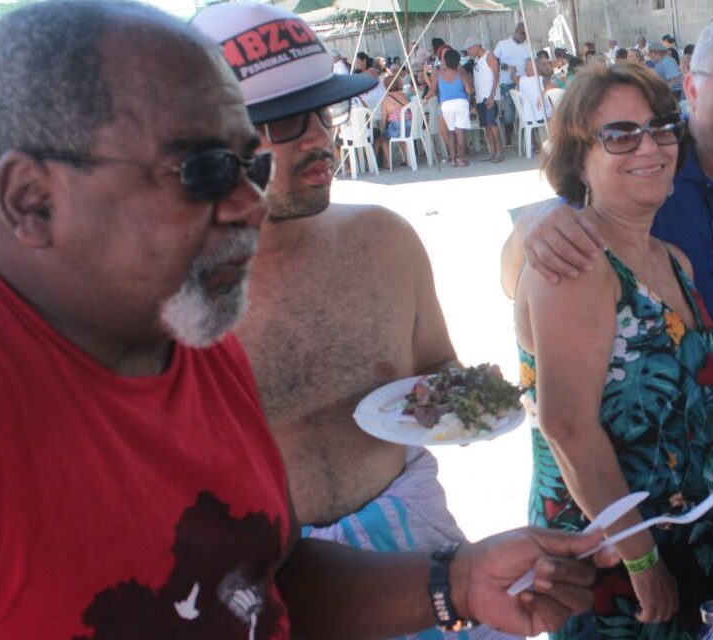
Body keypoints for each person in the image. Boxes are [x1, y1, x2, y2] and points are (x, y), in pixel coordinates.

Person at [0, 1, 616, 637]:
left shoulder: (201, 339)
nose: (248, 204)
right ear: (32, 200)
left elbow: (267, 575)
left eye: (250, 163)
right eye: (201, 171)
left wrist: (454, 582)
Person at [195, 7, 518, 640]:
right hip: (268, 583)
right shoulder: (169, 296)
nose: (319, 137)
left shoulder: (383, 241)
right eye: (287, 121)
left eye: (325, 112)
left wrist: (475, 398)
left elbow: (438, 370)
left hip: (418, 553)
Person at [502, 10, 713, 506]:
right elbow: (520, 277)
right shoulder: (648, 168)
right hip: (649, 454)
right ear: (693, 87)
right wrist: (533, 225)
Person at [518, 60, 713, 640]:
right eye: (620, 134)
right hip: (614, 549)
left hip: (700, 524)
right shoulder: (577, 263)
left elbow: (683, 382)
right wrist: (641, 562)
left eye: (662, 127)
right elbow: (566, 426)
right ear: (579, 160)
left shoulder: (673, 258)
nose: (650, 145)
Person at [431, 48, 474, 167]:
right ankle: (461, 159)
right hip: (461, 103)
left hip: (446, 105)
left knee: (451, 132)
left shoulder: (439, 74)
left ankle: (453, 160)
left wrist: (425, 98)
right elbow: (469, 90)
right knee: (460, 132)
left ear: (445, 60)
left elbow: (432, 89)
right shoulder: (460, 74)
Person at [466, 36, 505, 163]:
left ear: (476, 46)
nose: (469, 52)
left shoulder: (490, 56)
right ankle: (492, 151)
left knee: (492, 124)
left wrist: (492, 95)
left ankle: (499, 152)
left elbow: (496, 75)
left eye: (470, 49)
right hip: (480, 98)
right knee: (486, 126)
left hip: (489, 97)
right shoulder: (477, 60)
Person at [495, 23, 533, 140]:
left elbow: (532, 63)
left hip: (524, 83)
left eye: (526, 34)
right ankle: (508, 138)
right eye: (523, 33)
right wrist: (505, 67)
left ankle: (528, 138)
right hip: (507, 84)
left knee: (526, 111)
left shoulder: (528, 46)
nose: (525, 36)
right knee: (508, 113)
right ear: (516, 31)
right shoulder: (502, 44)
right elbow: (494, 62)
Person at [518, 54, 551, 126]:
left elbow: (512, 76)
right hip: (543, 117)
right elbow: (554, 90)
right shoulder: (542, 80)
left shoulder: (520, 80)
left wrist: (512, 70)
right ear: (536, 68)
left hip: (527, 118)